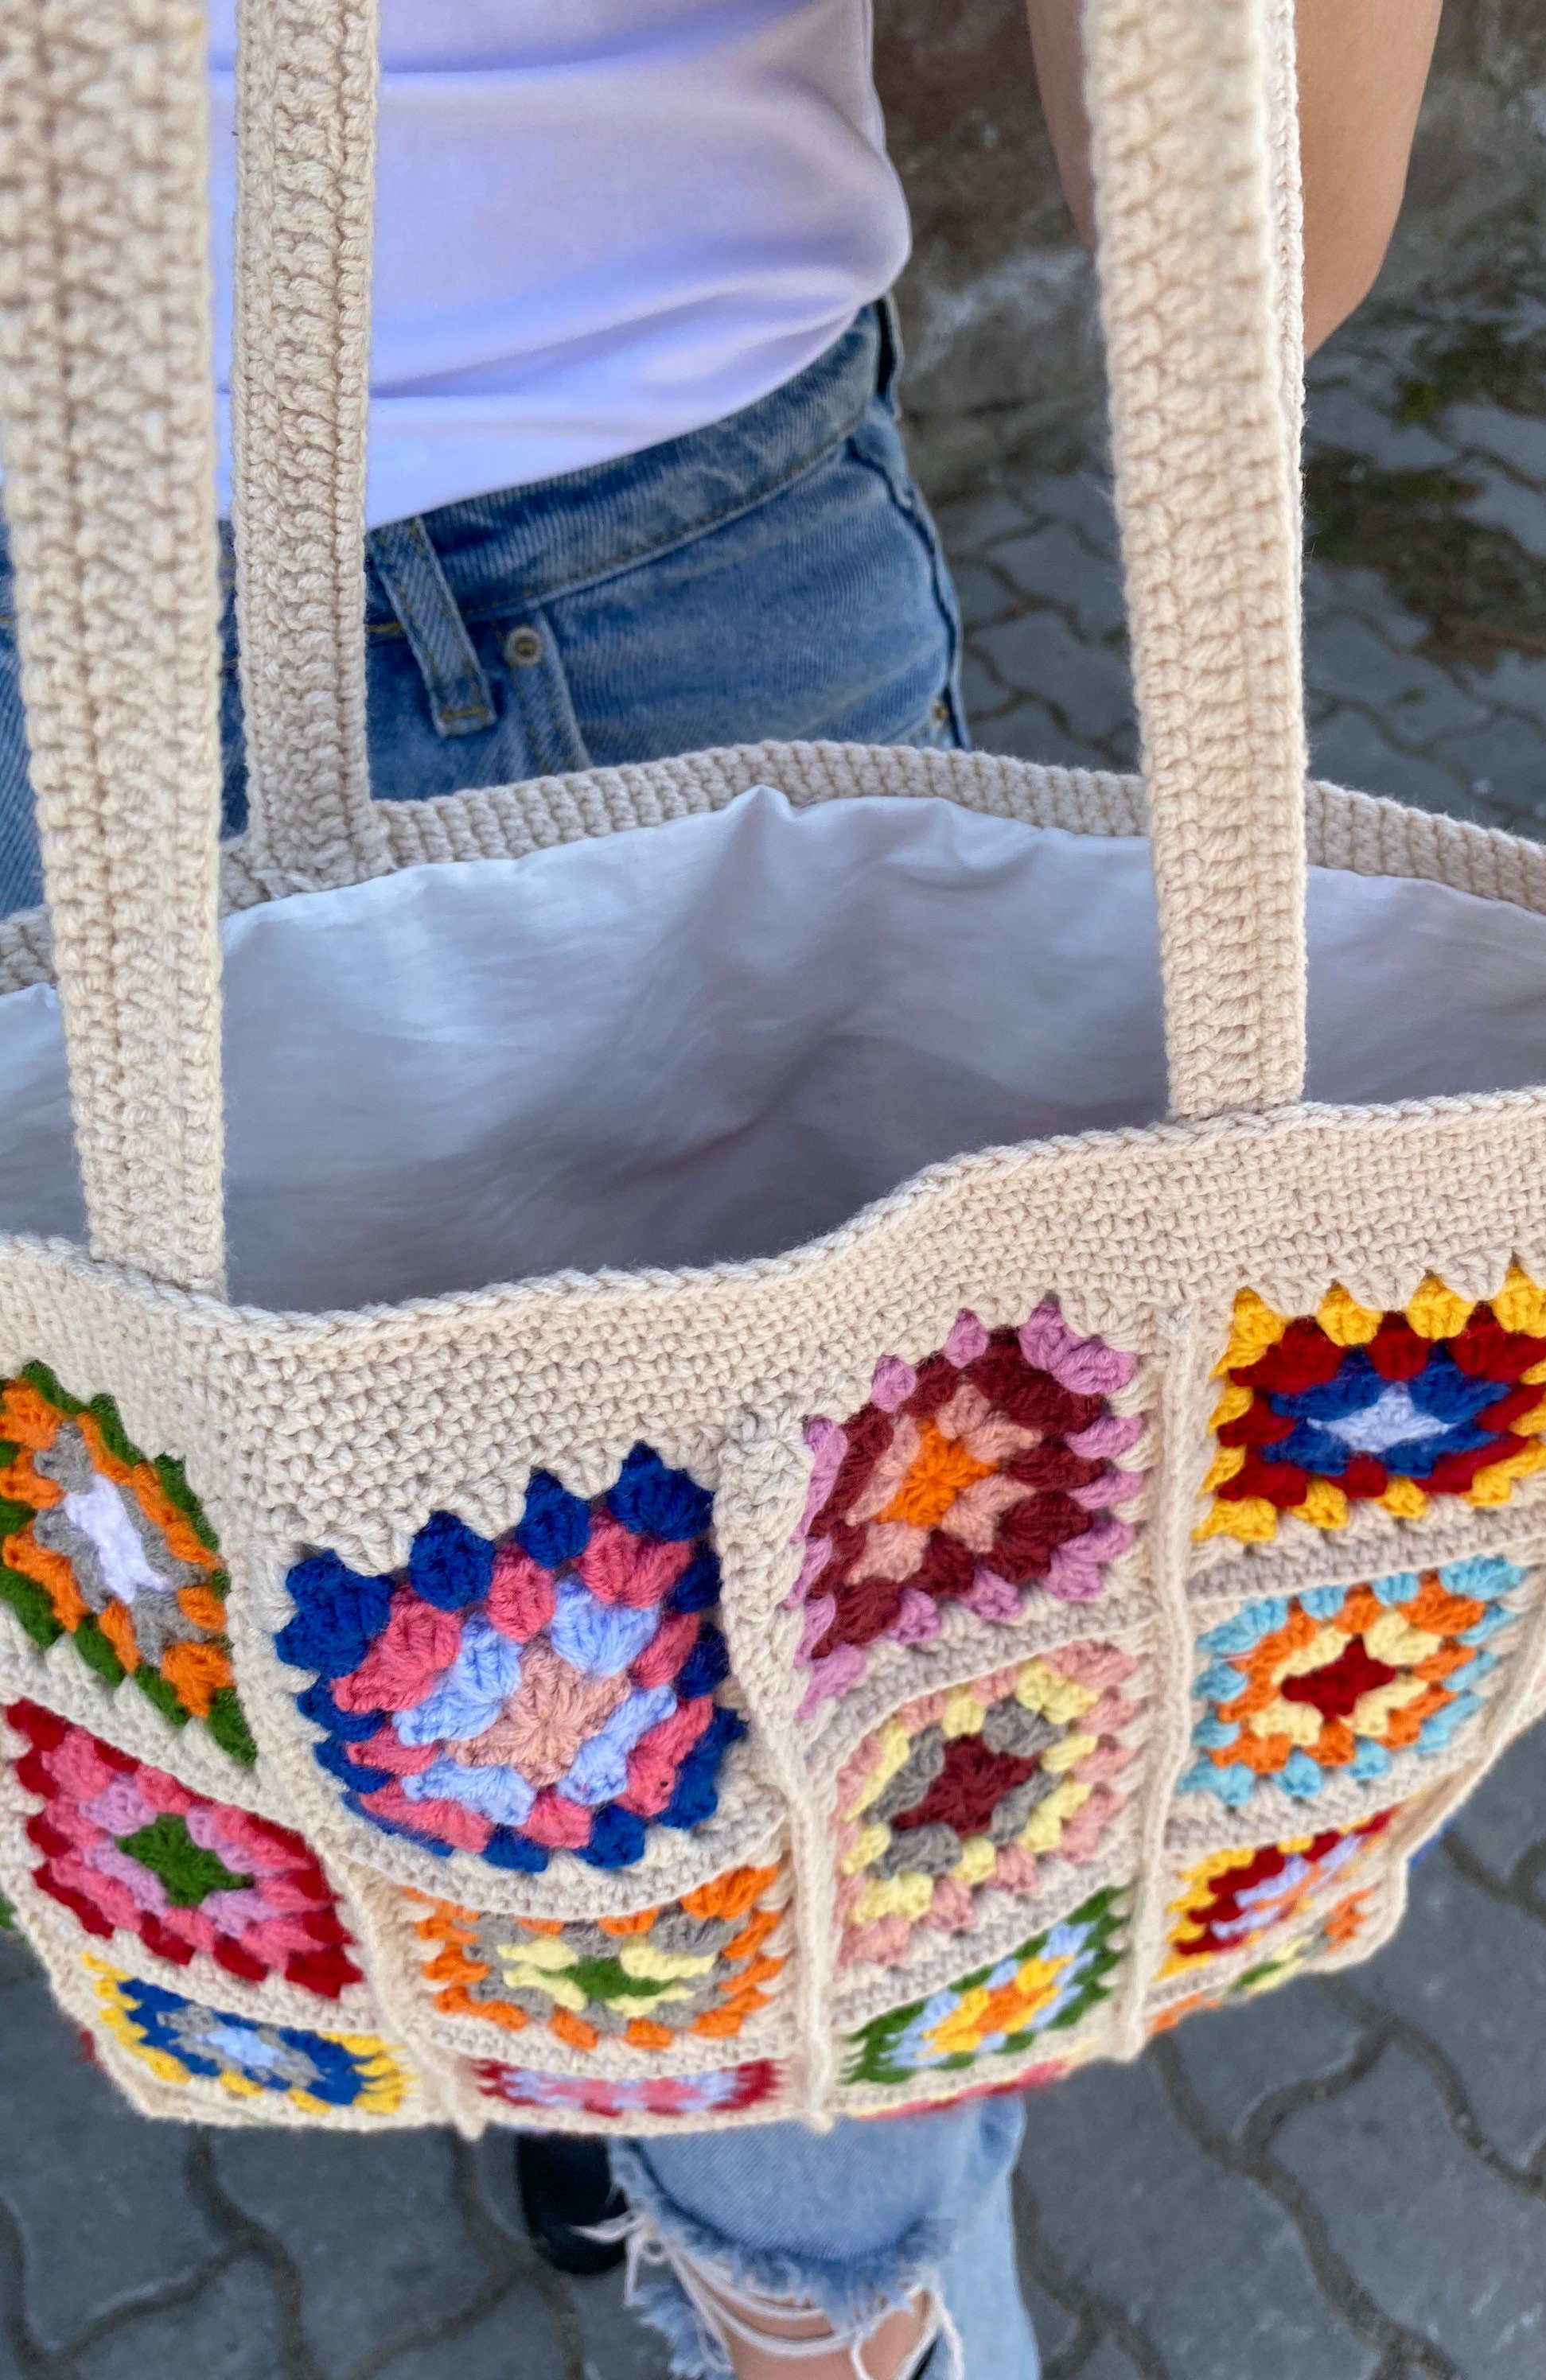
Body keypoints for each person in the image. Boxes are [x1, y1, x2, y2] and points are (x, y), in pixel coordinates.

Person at [0, 2, 1440, 2370]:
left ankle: (662, 2092)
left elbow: (1253, 215)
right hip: (601, 516)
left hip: (617, 539)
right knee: (766, 1710)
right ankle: (603, 2035)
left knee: (799, 1734)